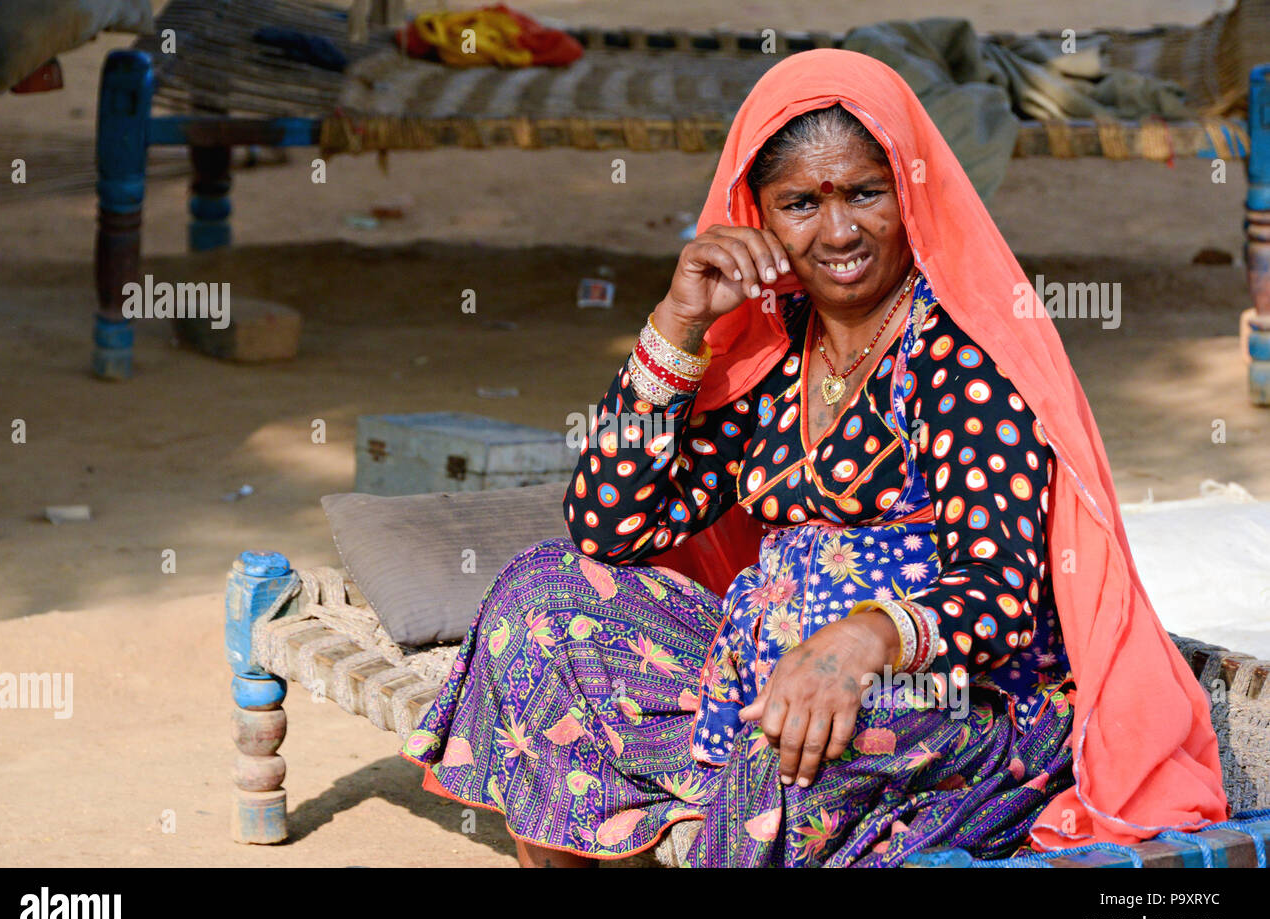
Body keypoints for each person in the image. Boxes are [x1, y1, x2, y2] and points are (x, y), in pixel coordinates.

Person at [401, 49, 1226, 867]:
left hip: (945, 703)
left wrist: (858, 645)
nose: (838, 232)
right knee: (538, 592)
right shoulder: (772, 352)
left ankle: (735, 811)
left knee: (802, 747)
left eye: (866, 194)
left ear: (907, 191)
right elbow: (611, 525)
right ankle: (634, 834)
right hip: (759, 683)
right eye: (800, 203)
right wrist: (680, 324)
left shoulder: (958, 355)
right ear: (756, 214)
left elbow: (1000, 591)